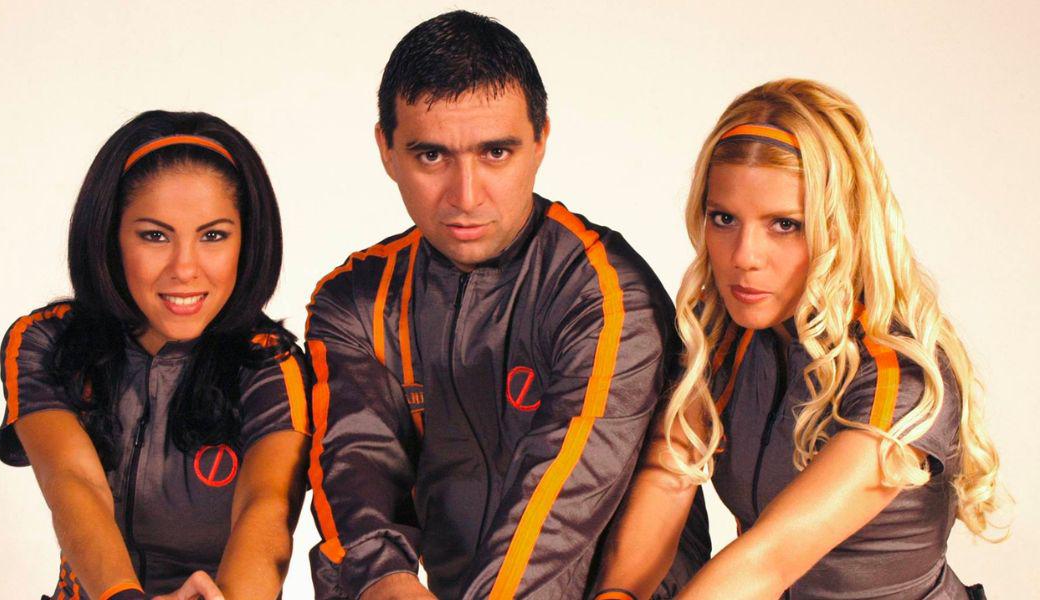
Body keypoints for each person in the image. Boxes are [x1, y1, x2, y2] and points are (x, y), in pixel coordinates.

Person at [304, 11, 709, 600]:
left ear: (541, 141)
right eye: (431, 156)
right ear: (386, 150)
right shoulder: (354, 302)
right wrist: (388, 584)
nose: (466, 195)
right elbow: (356, 479)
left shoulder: (605, 291)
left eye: (495, 152)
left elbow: (558, 516)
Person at [593, 79, 1004, 599]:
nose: (744, 256)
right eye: (724, 219)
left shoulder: (899, 378)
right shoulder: (723, 334)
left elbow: (770, 560)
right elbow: (668, 475)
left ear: (842, 227)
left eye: (785, 225)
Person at [0, 111, 310, 600]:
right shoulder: (44, 342)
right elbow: (74, 484)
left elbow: (266, 508)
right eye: (155, 235)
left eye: (213, 235)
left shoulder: (271, 365)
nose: (185, 268)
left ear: (246, 242)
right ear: (111, 236)